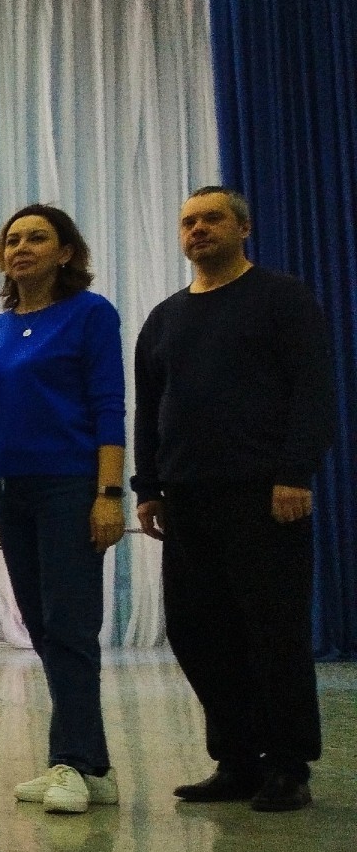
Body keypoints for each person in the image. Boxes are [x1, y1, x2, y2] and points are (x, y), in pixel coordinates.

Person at [134, 186, 335, 812]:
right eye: (188, 222)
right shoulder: (164, 318)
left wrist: (295, 473)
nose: (197, 229)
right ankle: (237, 759)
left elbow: (313, 390)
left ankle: (289, 766)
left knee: (272, 631)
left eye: (211, 219)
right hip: (185, 498)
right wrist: (147, 486)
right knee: (198, 632)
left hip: (264, 494)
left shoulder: (282, 299)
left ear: (242, 229)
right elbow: (149, 408)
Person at [0, 205, 126, 815]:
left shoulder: (91, 314)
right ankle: (94, 766)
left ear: (65, 253)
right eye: (12, 239)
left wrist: (108, 495)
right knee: (42, 629)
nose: (22, 247)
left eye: (37, 237)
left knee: (69, 627)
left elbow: (108, 406)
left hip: (70, 488)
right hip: (12, 492)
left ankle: (71, 761)